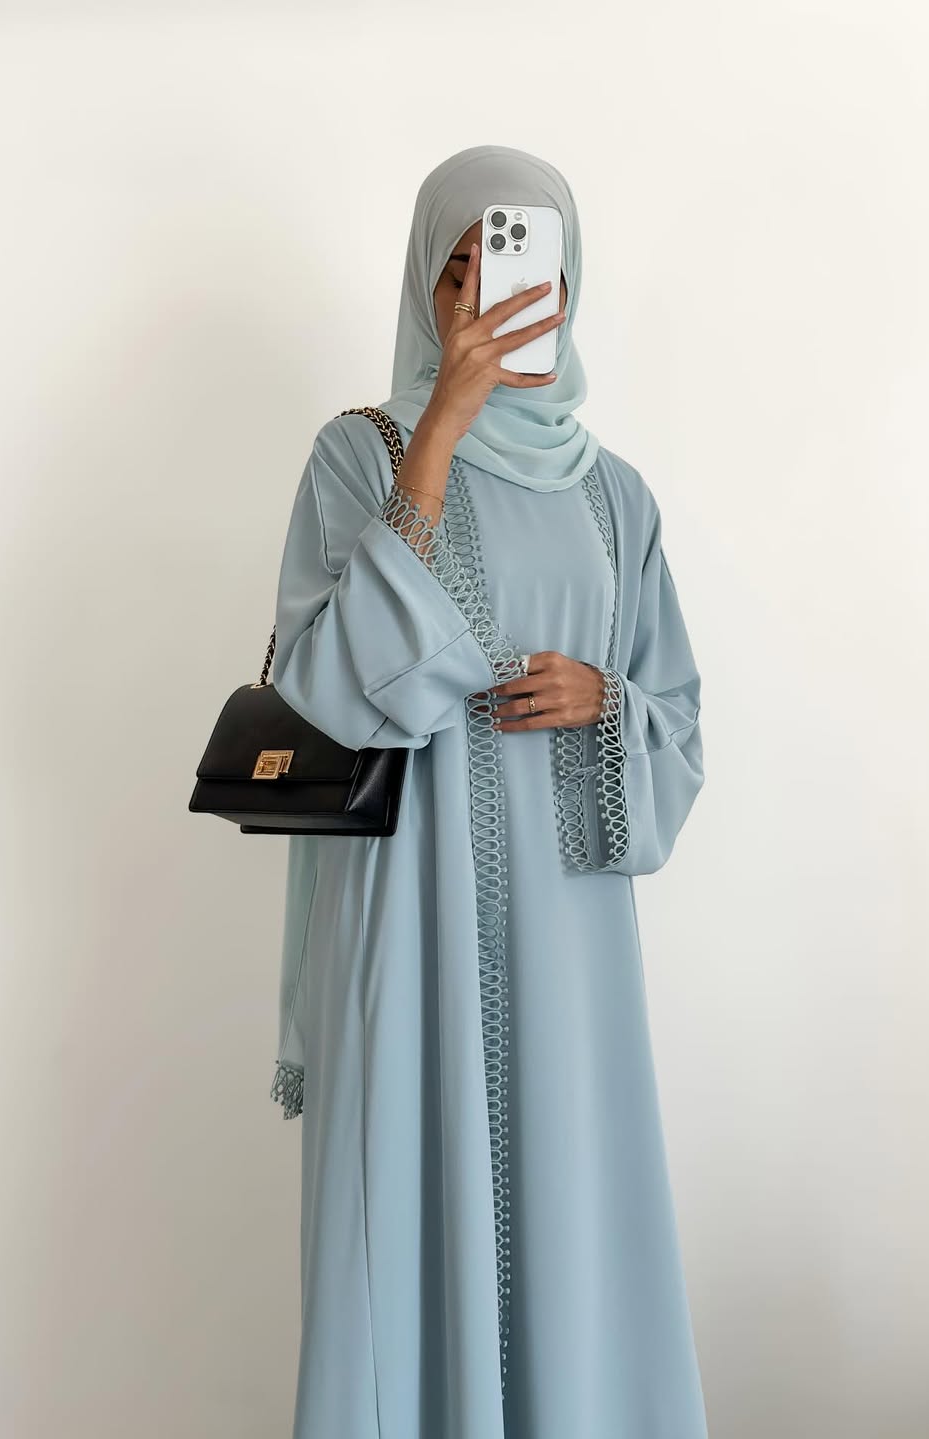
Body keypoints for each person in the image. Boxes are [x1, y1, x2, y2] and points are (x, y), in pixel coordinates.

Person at [269, 143, 708, 1439]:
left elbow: (678, 724)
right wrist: (440, 436)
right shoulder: (360, 456)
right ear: (425, 285)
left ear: (563, 283)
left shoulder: (616, 499)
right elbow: (326, 685)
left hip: (568, 940)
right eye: (455, 266)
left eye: (513, 263)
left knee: (569, 1206)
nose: (482, 293)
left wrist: (606, 700)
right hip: (407, 920)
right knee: (405, 1195)